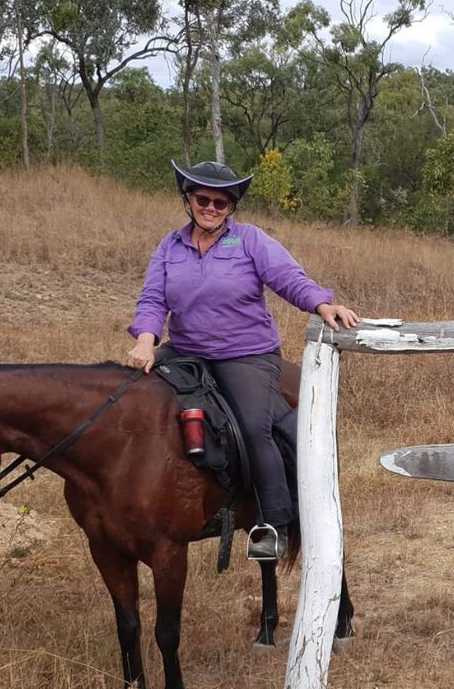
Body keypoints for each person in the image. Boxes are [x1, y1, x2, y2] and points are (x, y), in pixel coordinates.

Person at [126, 159, 359, 559]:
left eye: (221, 202)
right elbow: (152, 299)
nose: (211, 208)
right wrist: (146, 342)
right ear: (188, 200)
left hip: (245, 353)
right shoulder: (170, 246)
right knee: (132, 398)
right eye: (203, 199)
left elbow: (288, 278)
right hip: (183, 350)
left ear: (231, 208)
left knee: (253, 427)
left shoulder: (249, 240)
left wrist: (322, 304)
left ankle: (274, 523)